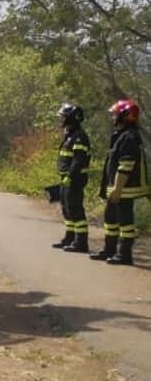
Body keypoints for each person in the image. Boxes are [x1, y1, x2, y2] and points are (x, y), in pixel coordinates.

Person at [89, 98, 146, 265]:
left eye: (115, 114)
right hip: (118, 188)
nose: (113, 117)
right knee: (110, 218)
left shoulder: (129, 137)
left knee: (125, 222)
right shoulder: (122, 135)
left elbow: (126, 166)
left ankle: (124, 255)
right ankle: (110, 250)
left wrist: (117, 188)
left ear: (125, 115)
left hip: (124, 189)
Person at [51, 103, 91, 252]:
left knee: (75, 210)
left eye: (63, 117)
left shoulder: (79, 137)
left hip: (75, 179)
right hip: (66, 179)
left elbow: (78, 161)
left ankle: (81, 243)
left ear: (71, 119)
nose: (60, 119)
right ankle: (69, 238)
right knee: (66, 209)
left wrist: (70, 176)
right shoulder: (70, 135)